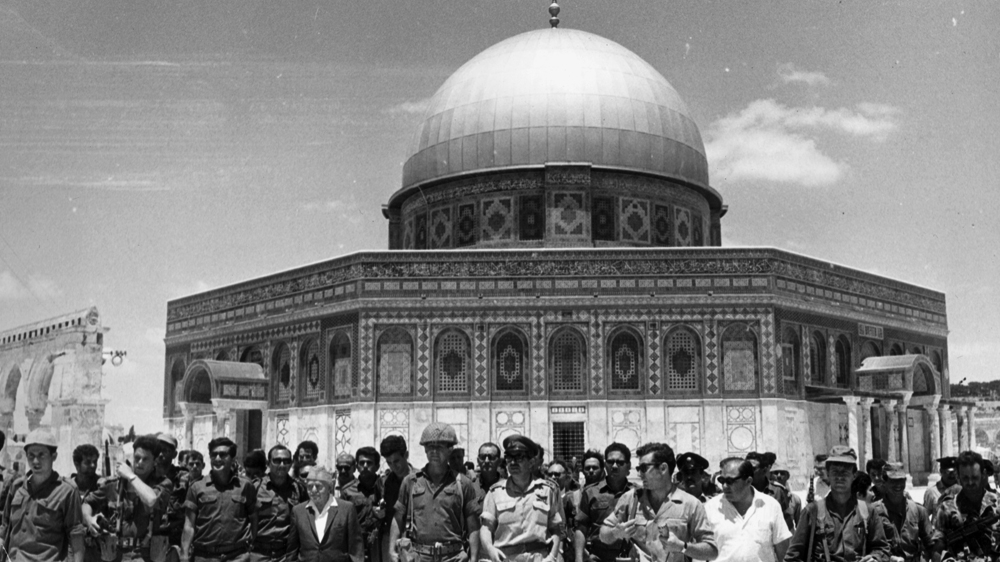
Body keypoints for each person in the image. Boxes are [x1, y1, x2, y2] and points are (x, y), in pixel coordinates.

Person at [599, 442, 717, 562]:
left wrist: (682, 547)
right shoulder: (631, 498)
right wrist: (615, 533)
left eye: (644, 468)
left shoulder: (691, 504)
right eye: (639, 469)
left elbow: (711, 551)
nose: (640, 474)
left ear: (663, 469)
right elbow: (603, 534)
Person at [388, 422, 479, 562]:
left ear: (450, 449)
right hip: (418, 556)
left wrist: (473, 558)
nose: (434, 451)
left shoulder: (463, 483)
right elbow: (398, 517)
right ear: (424, 449)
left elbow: (472, 524)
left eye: (439, 447)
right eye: (430, 447)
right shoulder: (411, 482)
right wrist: (391, 550)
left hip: (453, 556)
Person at [785, 446, 890, 562]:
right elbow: (792, 556)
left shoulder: (868, 511)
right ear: (828, 474)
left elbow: (882, 549)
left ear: (854, 475)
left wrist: (876, 558)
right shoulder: (812, 511)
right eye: (835, 472)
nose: (840, 477)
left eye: (845, 472)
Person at [1, 428, 86, 562]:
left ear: (54, 456)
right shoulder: (16, 486)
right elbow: (5, 525)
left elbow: (76, 535)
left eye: (41, 455)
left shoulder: (67, 491)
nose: (35, 461)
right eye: (31, 455)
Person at [480, 435, 564, 562]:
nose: (513, 462)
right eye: (509, 457)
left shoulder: (547, 490)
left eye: (519, 457)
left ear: (531, 462)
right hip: (506, 558)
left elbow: (556, 529)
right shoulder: (495, 492)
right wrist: (490, 549)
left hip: (539, 558)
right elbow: (486, 528)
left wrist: (552, 556)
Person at [181, 436, 258, 562]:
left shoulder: (245, 486)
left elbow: (254, 517)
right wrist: (184, 554)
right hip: (205, 556)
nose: (217, 459)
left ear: (233, 459)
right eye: (213, 455)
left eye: (222, 455)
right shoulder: (196, 487)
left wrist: (249, 544)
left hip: (237, 557)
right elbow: (189, 525)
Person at [704, 458, 791, 562]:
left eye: (730, 481)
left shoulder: (770, 506)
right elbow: (702, 552)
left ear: (748, 481)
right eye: (722, 481)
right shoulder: (711, 508)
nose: (724, 486)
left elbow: (783, 551)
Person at [116, 434, 175, 562]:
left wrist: (131, 476)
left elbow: (151, 500)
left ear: (155, 461)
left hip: (145, 554)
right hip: (118, 553)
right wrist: (88, 517)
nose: (139, 463)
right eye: (137, 458)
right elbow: (89, 503)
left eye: (145, 459)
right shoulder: (118, 482)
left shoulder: (164, 483)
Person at [932, 450, 1000, 560]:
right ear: (958, 477)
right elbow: (937, 549)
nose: (970, 483)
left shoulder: (997, 503)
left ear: (983, 475)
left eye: (974, 477)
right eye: (965, 478)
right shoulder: (947, 508)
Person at [288, 466, 364, 562]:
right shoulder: (298, 511)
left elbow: (356, 549)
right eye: (310, 486)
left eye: (319, 486)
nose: (314, 490)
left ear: (329, 487)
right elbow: (292, 550)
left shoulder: (346, 509)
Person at [575, 442, 634, 562]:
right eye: (610, 462)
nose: (615, 466)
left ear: (628, 466)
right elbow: (581, 527)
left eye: (620, 462)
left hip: (629, 557)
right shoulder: (591, 493)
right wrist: (579, 558)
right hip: (598, 556)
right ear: (605, 465)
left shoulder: (637, 494)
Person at [252, 444, 309, 562]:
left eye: (286, 461)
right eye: (277, 461)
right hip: (258, 555)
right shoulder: (255, 488)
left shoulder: (299, 489)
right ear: (268, 463)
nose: (282, 465)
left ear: (291, 464)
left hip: (286, 556)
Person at [870, 463, 933, 562]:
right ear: (884, 481)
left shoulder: (918, 510)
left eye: (901, 480)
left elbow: (931, 544)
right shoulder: (874, 511)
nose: (898, 485)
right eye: (893, 481)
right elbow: (868, 547)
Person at [68, 444, 116, 562]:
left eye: (95, 461)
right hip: (72, 548)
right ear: (77, 464)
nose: (93, 465)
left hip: (96, 550)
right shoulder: (67, 487)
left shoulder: (103, 486)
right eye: (88, 462)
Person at [376, 435, 414, 562]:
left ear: (406, 455)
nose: (393, 466)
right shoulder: (384, 483)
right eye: (389, 462)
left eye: (396, 461)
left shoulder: (420, 480)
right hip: (391, 541)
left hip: (415, 542)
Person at [546, 459, 578, 562]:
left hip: (569, 549)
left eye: (557, 474)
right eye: (550, 474)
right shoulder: (541, 497)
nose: (553, 477)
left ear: (567, 476)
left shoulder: (574, 497)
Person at [355, 446, 382, 562]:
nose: (365, 466)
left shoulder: (386, 487)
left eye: (369, 463)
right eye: (362, 463)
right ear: (357, 466)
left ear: (377, 466)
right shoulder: (348, 491)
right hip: (356, 546)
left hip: (379, 545)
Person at [923, 457, 959, 522]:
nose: (952, 475)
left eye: (955, 472)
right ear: (941, 471)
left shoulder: (963, 490)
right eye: (949, 472)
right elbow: (924, 516)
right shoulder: (932, 492)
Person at [768, 463, 800, 531]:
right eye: (776, 473)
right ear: (770, 476)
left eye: (782, 473)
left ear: (787, 476)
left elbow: (799, 525)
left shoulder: (795, 499)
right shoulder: (766, 496)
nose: (779, 476)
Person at [471, 442, 503, 509]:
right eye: (483, 457)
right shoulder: (470, 487)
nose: (486, 461)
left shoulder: (507, 488)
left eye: (491, 457)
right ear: (478, 460)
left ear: (499, 461)